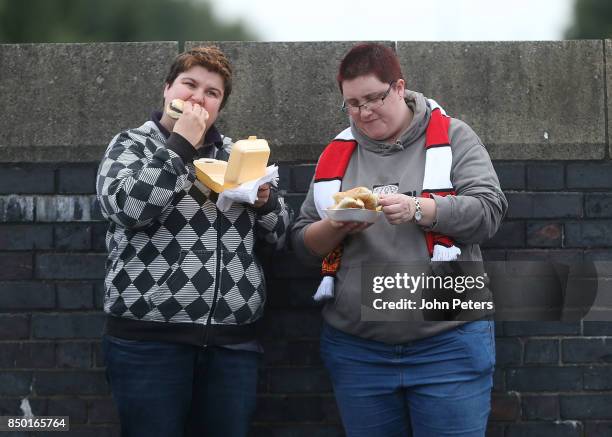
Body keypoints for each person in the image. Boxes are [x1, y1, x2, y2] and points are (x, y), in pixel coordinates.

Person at [291, 43, 507, 437]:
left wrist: (420, 210)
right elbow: (301, 245)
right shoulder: (336, 154)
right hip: (358, 350)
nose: (364, 112)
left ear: (399, 87)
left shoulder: (454, 135)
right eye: (352, 104)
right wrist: (336, 225)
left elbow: (489, 212)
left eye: (373, 98)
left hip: (449, 344)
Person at [96, 46, 291, 437]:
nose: (197, 98)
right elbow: (126, 208)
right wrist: (180, 147)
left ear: (220, 106)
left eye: (211, 92)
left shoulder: (237, 154)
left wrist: (265, 203)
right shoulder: (131, 145)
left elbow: (282, 233)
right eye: (189, 85)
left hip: (232, 346)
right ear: (167, 89)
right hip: (149, 344)